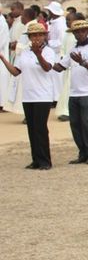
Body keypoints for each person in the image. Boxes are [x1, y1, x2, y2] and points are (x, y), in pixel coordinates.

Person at [0, 21, 56, 169]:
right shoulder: (24, 52)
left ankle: (45, 160)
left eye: (39, 35)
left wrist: (39, 55)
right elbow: (16, 71)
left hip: (43, 96)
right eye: (33, 35)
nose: (37, 38)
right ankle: (36, 159)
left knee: (40, 128)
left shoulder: (48, 52)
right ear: (29, 37)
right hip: (28, 95)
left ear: (44, 36)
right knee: (31, 129)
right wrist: (3, 58)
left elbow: (46, 68)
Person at [53, 19, 88, 165]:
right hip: (74, 92)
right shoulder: (73, 49)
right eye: (77, 32)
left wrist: (82, 62)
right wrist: (42, 60)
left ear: (87, 31)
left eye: (82, 31)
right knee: (75, 124)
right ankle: (83, 152)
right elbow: (61, 66)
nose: (80, 34)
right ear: (73, 34)